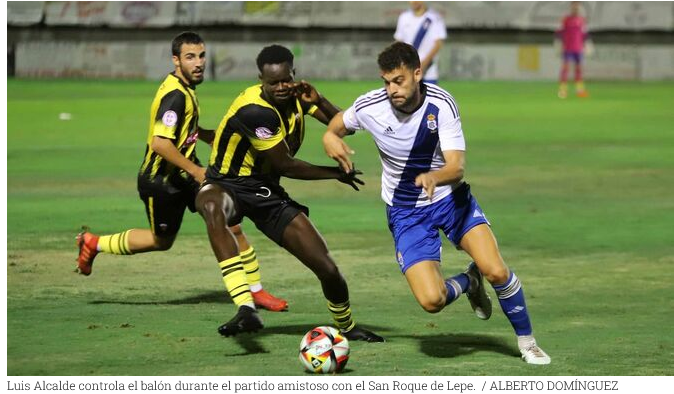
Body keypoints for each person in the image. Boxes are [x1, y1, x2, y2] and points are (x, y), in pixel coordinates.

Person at [322, 42, 551, 364]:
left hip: (450, 200)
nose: (391, 89)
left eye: (398, 80)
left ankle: (528, 343)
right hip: (405, 213)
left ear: (417, 73)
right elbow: (335, 127)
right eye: (386, 81)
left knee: (497, 271)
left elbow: (456, 166)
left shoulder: (441, 104)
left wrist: (434, 177)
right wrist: (330, 139)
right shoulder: (369, 105)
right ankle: (469, 281)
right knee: (432, 300)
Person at [75, 31, 287, 312]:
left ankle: (255, 290)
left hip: (185, 176)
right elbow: (160, 143)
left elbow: (178, 130)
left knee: (230, 220)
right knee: (160, 241)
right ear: (176, 60)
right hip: (162, 181)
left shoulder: (184, 88)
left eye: (201, 56)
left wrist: (206, 135)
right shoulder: (175, 95)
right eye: (190, 57)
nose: (198, 63)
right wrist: (196, 170)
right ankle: (93, 243)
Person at [195, 44, 384, 342]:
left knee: (327, 268)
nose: (281, 87)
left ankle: (346, 326)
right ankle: (245, 308)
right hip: (227, 183)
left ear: (293, 74)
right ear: (261, 80)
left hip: (266, 191)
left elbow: (346, 125)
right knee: (210, 205)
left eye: (286, 80)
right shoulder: (256, 111)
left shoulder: (297, 95)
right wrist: (335, 173)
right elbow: (285, 164)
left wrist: (318, 98)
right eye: (273, 83)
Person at [394, 1, 447, 85]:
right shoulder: (404, 17)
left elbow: (438, 43)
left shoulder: (434, 18)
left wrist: (423, 64)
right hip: (408, 67)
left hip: (429, 70)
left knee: (429, 97)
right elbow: (399, 42)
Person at [556, 1, 591, 98]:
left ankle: (579, 90)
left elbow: (585, 35)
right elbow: (559, 32)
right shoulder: (565, 20)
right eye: (574, 7)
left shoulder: (582, 20)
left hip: (578, 49)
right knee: (565, 69)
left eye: (577, 7)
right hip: (567, 48)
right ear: (570, 8)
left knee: (578, 69)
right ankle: (563, 91)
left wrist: (587, 45)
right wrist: (558, 44)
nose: (575, 9)